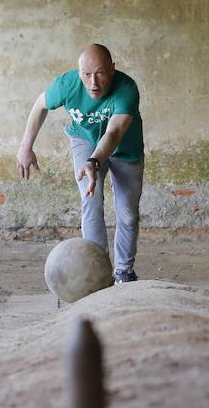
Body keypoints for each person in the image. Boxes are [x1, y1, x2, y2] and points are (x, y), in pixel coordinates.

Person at [16, 44, 145, 284]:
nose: (94, 82)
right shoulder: (66, 85)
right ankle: (98, 272)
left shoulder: (127, 89)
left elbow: (114, 132)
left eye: (101, 73)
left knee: (127, 214)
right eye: (86, 74)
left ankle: (124, 272)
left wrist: (94, 160)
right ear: (78, 73)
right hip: (84, 140)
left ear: (113, 69)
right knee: (91, 202)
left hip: (124, 148)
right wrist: (26, 146)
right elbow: (39, 105)